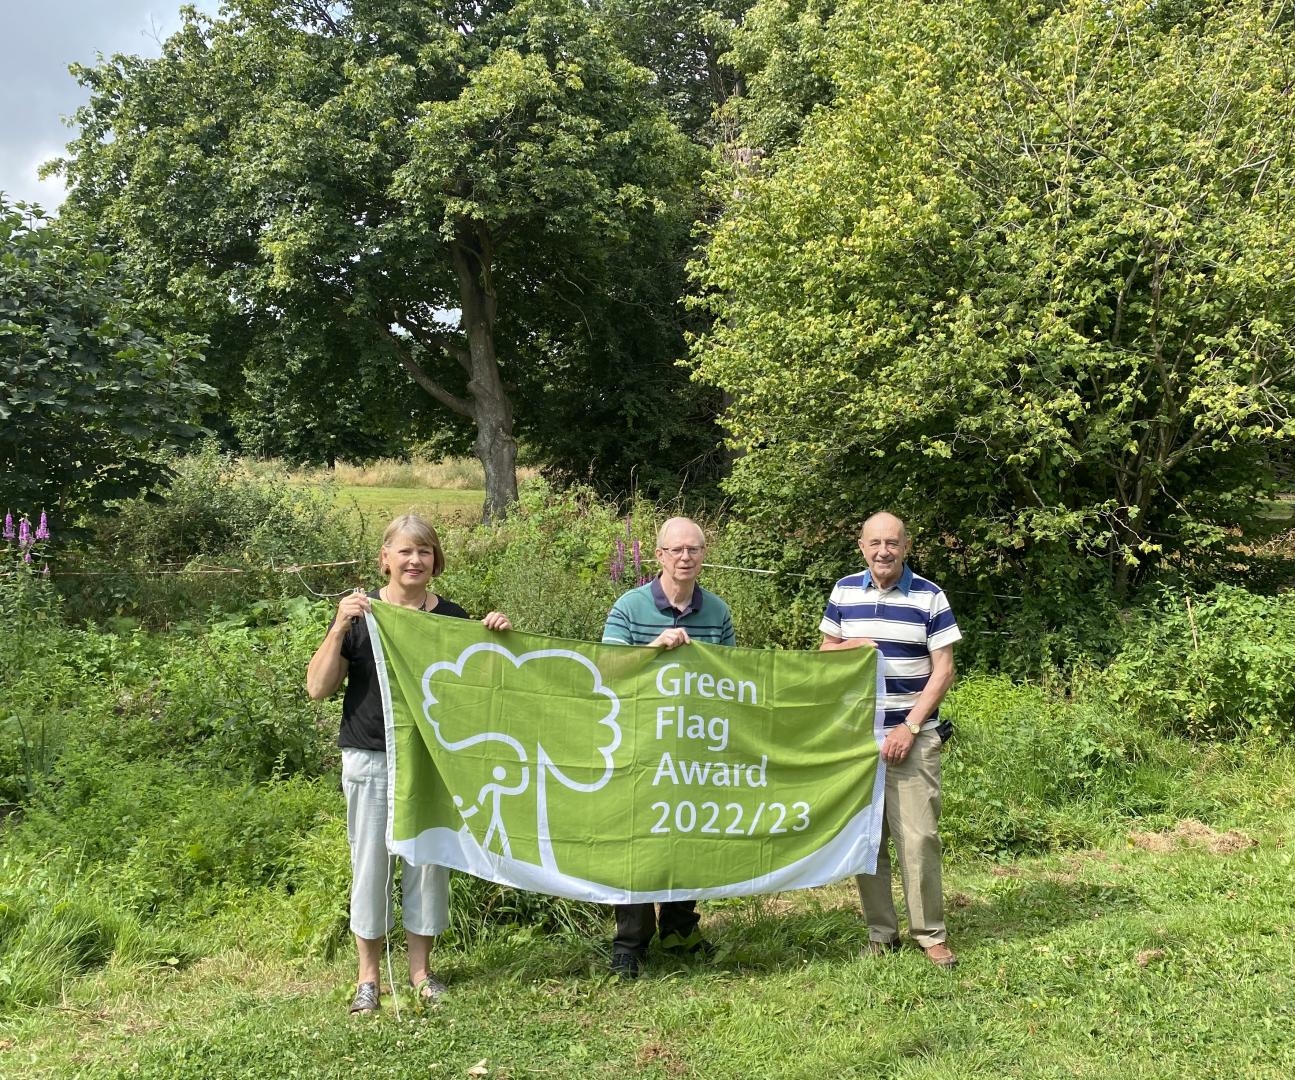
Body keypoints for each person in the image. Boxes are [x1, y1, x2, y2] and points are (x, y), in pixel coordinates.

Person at [306, 513, 512, 1014]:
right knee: (370, 866)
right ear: (385, 559)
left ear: (435, 561)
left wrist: (495, 637)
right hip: (370, 755)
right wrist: (338, 626)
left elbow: (482, 687)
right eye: (404, 551)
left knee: (427, 862)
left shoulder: (451, 618)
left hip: (430, 759)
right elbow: (318, 687)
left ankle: (421, 973)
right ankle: (368, 980)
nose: (414, 560)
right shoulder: (362, 615)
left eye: (423, 552)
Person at [819, 512, 962, 968]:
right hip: (859, 741)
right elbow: (825, 656)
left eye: (893, 543)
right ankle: (881, 932)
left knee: (919, 839)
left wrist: (911, 727)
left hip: (913, 737)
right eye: (875, 542)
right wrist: (852, 647)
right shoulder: (843, 591)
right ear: (861, 546)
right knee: (868, 842)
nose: (884, 551)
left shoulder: (930, 596)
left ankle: (930, 934)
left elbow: (943, 670)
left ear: (907, 547)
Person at [601, 516, 736, 980]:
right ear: (658, 556)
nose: (685, 558)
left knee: (685, 836)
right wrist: (653, 649)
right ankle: (629, 943)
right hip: (638, 747)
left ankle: (680, 930)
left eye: (694, 550)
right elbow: (608, 669)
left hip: (693, 748)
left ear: (703, 555)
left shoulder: (717, 611)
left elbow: (732, 676)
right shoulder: (630, 606)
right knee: (636, 844)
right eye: (676, 550)